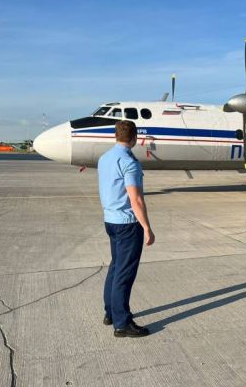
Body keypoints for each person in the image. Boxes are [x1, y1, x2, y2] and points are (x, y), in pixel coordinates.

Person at [98, 120, 155, 337]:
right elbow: (136, 199)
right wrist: (147, 227)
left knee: (115, 267)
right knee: (124, 272)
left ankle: (110, 312)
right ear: (134, 138)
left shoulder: (105, 158)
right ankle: (122, 323)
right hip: (127, 224)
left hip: (110, 221)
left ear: (116, 135)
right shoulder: (129, 162)